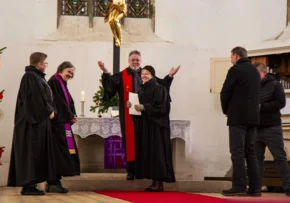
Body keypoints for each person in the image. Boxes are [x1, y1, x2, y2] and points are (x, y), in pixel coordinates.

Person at [98, 50, 180, 180]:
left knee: (144, 141)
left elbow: (161, 86)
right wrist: (105, 73)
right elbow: (110, 88)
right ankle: (131, 170)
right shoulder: (121, 75)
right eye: (133, 60)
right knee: (130, 141)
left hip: (145, 115)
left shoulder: (146, 74)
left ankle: (143, 170)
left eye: (137, 60)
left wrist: (169, 77)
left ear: (140, 61)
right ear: (129, 60)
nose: (135, 62)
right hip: (128, 114)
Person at [7, 52, 57, 195]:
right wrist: (49, 111)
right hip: (31, 125)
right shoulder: (30, 77)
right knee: (31, 153)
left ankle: (31, 185)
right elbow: (34, 99)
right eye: (45, 63)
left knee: (36, 152)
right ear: (39, 64)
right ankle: (28, 186)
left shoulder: (36, 77)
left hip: (38, 123)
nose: (46, 66)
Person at [220, 46, 261, 196]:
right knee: (251, 152)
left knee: (237, 152)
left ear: (236, 56)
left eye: (231, 56)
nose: (231, 59)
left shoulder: (235, 70)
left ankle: (239, 186)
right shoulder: (255, 71)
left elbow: (225, 92)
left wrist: (226, 110)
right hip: (253, 117)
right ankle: (256, 188)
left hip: (238, 117)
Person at [128, 65, 176, 192]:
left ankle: (158, 183)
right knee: (149, 154)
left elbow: (162, 108)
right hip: (146, 126)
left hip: (156, 127)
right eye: (142, 73)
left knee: (157, 154)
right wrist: (131, 106)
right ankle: (153, 181)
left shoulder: (159, 88)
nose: (144, 75)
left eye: (147, 73)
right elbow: (138, 111)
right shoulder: (141, 90)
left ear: (153, 75)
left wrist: (145, 107)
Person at [254, 62, 290, 196]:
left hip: (272, 127)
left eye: (256, 74)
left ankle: (288, 187)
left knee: (280, 158)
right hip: (256, 128)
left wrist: (262, 107)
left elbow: (281, 103)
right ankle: (256, 188)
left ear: (264, 73)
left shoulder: (275, 84)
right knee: (256, 160)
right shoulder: (253, 85)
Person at [47, 61, 80, 193]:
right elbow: (59, 103)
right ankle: (53, 182)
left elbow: (68, 101)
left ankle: (55, 182)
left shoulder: (61, 82)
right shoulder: (54, 81)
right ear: (61, 70)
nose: (71, 75)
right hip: (57, 124)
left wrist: (73, 115)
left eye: (72, 73)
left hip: (63, 123)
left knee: (63, 152)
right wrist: (69, 115)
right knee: (58, 153)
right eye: (69, 72)